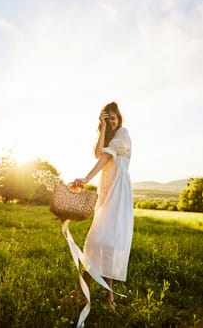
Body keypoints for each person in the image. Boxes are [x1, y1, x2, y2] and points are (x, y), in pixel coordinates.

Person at [63, 101, 133, 311]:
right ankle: (82, 290)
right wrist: (102, 128)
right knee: (97, 241)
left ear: (119, 118)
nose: (111, 122)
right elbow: (97, 154)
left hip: (118, 191)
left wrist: (85, 178)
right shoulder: (108, 137)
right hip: (106, 189)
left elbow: (104, 160)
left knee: (107, 242)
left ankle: (108, 297)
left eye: (113, 118)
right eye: (107, 119)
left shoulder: (123, 133)